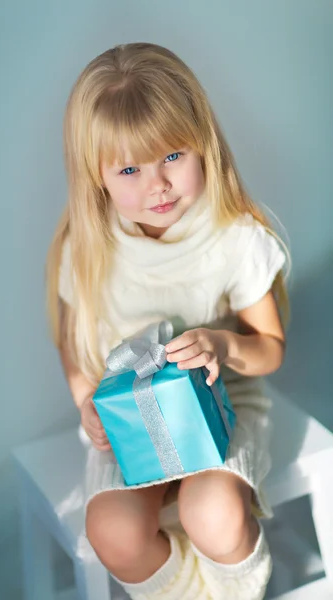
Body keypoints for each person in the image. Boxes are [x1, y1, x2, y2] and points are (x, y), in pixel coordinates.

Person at [46, 42, 289, 600]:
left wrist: (222, 346)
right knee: (113, 531)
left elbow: (270, 347)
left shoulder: (233, 236)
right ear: (97, 176)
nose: (156, 184)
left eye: (173, 156)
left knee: (215, 515)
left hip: (223, 401)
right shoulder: (89, 244)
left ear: (202, 145)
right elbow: (68, 335)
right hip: (130, 424)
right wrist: (86, 397)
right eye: (130, 168)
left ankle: (235, 590)